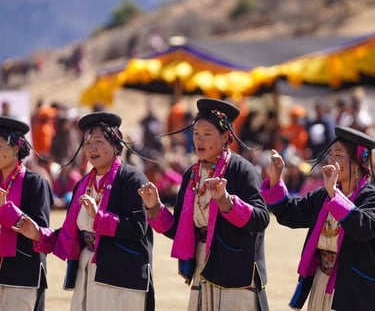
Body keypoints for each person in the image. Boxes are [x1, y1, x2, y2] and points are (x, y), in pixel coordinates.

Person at [14, 112, 155, 311]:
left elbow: (138, 228)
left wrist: (100, 218)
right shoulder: (83, 184)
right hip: (87, 270)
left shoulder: (131, 179)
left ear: (116, 144)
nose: (92, 148)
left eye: (98, 141)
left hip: (121, 277)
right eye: (87, 143)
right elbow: (70, 235)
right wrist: (38, 233)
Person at [138, 98, 270, 311]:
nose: (199, 140)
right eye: (196, 134)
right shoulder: (192, 174)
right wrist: (155, 208)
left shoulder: (241, 170)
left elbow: (261, 220)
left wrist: (227, 202)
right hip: (202, 265)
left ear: (226, 137)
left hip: (235, 270)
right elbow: (180, 229)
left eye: (207, 134)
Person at [261, 125, 375, 310]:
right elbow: (291, 213)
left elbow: (363, 228)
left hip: (353, 288)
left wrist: (334, 196)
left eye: (338, 155)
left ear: (358, 162)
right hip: (322, 282)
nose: (331, 159)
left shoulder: (370, 197)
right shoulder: (324, 196)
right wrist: (275, 180)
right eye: (330, 154)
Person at [0, 116, 53, 311]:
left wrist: (5, 209)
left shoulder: (35, 183)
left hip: (22, 275)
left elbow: (40, 233)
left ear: (15, 148)